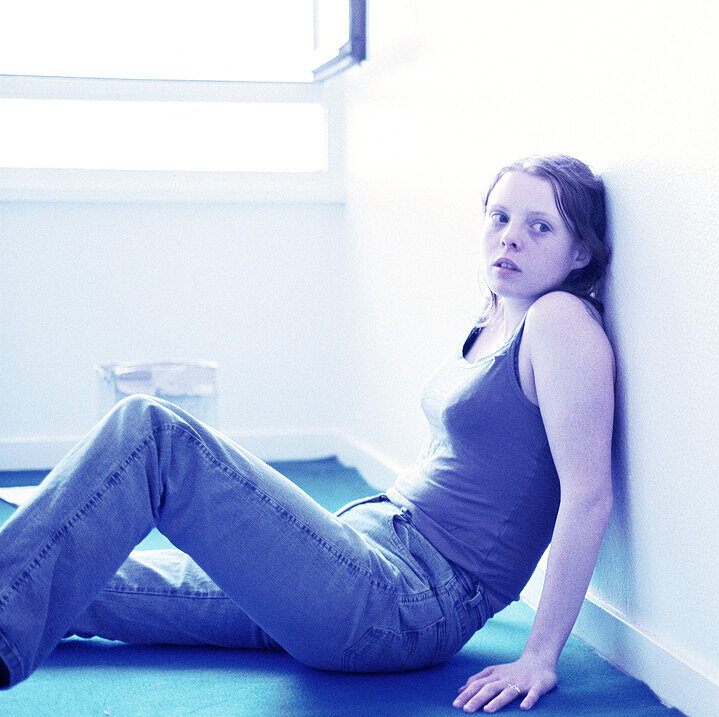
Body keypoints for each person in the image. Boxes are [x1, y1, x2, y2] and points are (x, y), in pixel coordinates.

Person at [0, 154, 615, 714]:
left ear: (580, 253)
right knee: (77, 575)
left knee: (151, 431)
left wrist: (539, 656)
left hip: (398, 603)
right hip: (353, 555)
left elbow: (587, 495)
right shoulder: (494, 316)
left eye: (541, 227)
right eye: (500, 216)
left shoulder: (558, 321)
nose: (510, 235)